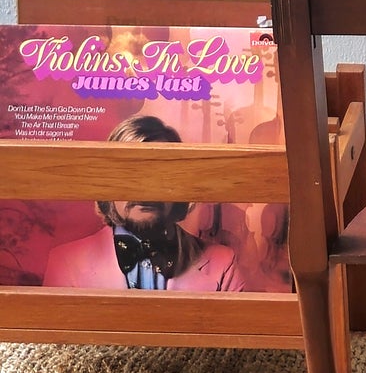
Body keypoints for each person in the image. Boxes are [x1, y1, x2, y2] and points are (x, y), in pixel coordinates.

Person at [42, 115, 244, 291]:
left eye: (159, 174)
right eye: (130, 174)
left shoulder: (224, 264)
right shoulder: (65, 262)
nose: (145, 188)